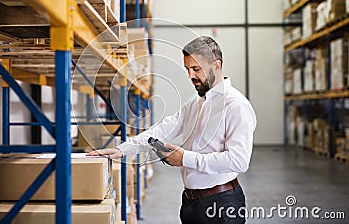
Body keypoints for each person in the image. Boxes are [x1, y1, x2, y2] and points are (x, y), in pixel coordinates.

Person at [88, 36, 256, 224]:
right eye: (187, 69)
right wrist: (122, 149)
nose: (190, 76)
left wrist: (184, 158)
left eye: (196, 69)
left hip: (222, 204)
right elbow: (163, 129)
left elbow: (239, 161)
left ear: (216, 65)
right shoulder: (195, 104)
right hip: (191, 202)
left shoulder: (236, 105)